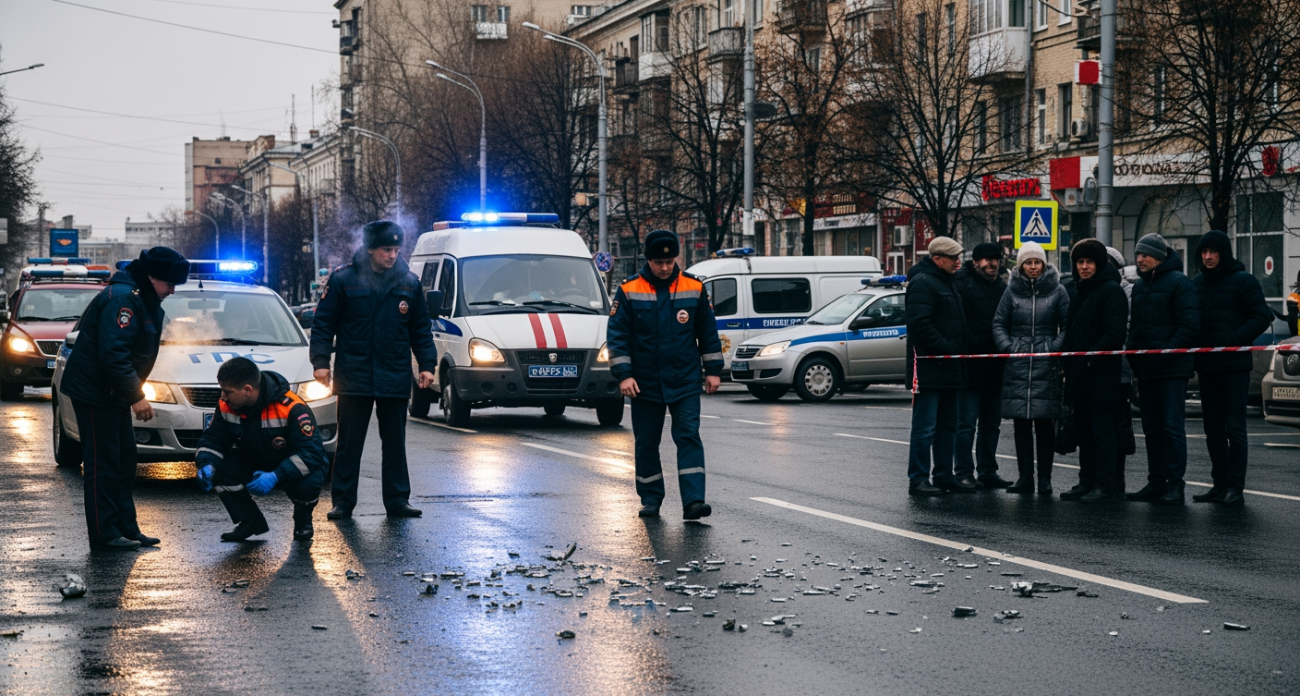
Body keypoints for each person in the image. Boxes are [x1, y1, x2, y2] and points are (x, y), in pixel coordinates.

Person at [62, 247, 190, 550]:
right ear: (151, 277)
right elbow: (113, 355)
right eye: (169, 284)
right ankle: (105, 534)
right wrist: (136, 395)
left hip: (111, 393)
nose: (172, 291)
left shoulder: (140, 297)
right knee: (103, 465)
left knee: (123, 461)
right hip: (96, 393)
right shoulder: (124, 300)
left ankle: (127, 529)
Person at [310, 220, 438, 519]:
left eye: (395, 249)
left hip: (393, 373)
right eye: (386, 249)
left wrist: (427, 365)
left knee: (395, 444)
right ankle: (343, 502)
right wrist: (320, 363)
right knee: (349, 444)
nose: (392, 255)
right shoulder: (344, 280)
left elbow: (421, 328)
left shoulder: (409, 282)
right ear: (370, 249)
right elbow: (323, 324)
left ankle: (397, 501)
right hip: (354, 373)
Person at [607, 230, 724, 519]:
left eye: (670, 261)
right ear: (648, 260)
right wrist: (624, 375)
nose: (664, 267)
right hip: (644, 383)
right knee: (647, 442)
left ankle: (694, 501)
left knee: (688, 437)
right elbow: (617, 336)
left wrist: (713, 371)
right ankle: (650, 498)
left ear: (676, 259)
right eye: (659, 262)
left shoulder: (694, 287)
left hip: (684, 379)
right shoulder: (629, 289)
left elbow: (707, 331)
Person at [194, 358, 328, 541]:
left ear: (247, 390)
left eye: (228, 392)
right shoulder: (227, 406)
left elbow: (312, 454)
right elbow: (214, 438)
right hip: (255, 458)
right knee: (220, 469)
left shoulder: (292, 408)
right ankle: (250, 521)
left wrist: (276, 475)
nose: (223, 397)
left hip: (288, 462)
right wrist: (206, 463)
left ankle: (303, 519)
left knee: (309, 480)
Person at [1191, 230, 1273, 506]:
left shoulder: (1243, 280)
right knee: (1212, 428)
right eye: (1204, 252)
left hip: (1234, 367)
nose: (1208, 256)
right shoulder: (1198, 283)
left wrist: (1235, 340)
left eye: (1213, 252)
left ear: (1223, 253)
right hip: (1207, 367)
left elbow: (1262, 315)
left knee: (1234, 428)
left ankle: (1235, 487)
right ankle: (1219, 484)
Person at [1126, 233, 1200, 504]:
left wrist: (1166, 352)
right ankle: (1156, 482)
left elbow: (1189, 326)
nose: (1140, 259)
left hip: (1171, 370)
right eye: (1138, 254)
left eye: (1145, 254)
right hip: (1147, 370)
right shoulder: (1140, 287)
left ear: (1160, 255)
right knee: (1152, 428)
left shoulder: (1180, 283)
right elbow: (1137, 328)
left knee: (1172, 428)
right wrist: (1136, 358)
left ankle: (1175, 485)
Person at [992, 241, 1069, 495]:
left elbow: (1069, 325)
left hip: (1046, 365)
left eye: (1037, 262)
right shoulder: (1011, 291)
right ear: (1021, 265)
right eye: (1028, 262)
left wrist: (1053, 348)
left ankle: (1045, 479)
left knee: (1044, 424)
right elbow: (999, 324)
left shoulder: (1058, 291)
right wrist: (1010, 348)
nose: (1033, 267)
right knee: (1021, 425)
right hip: (1018, 365)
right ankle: (1025, 477)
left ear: (1044, 264)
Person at [1059, 240, 1129, 502]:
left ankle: (1104, 484)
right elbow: (1071, 331)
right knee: (1084, 432)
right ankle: (1085, 482)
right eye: (1080, 262)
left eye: (1089, 262)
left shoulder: (1111, 291)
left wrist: (1089, 361)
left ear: (1099, 264)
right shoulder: (1079, 291)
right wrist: (1067, 363)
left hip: (1101, 375)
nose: (1085, 267)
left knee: (1102, 432)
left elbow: (1114, 335)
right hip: (1078, 375)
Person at [904, 236, 970, 496]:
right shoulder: (923, 282)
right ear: (937, 259)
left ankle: (943, 475)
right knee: (925, 427)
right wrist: (948, 349)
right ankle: (918, 478)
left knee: (948, 425)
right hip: (931, 367)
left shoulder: (947, 281)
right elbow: (920, 325)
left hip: (950, 367)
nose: (958, 262)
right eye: (953, 258)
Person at [953, 242, 1012, 489]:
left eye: (994, 259)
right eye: (985, 260)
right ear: (975, 262)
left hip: (995, 368)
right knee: (965, 424)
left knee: (991, 424)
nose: (991, 263)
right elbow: (958, 325)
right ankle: (964, 472)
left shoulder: (1002, 287)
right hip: (969, 366)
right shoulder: (962, 285)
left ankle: (988, 471)